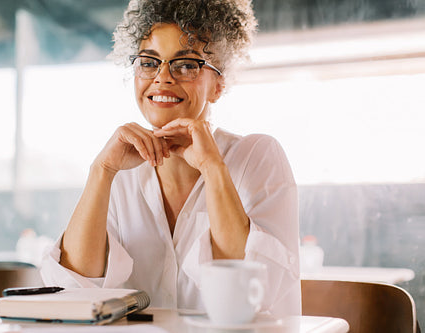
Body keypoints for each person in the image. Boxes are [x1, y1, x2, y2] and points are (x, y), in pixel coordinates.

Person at [41, 0, 300, 316]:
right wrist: (102, 170)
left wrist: (213, 167)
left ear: (218, 85)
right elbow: (72, 293)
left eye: (186, 64)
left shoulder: (257, 157)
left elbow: (246, 297)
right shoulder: (120, 169)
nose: (162, 77)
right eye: (149, 62)